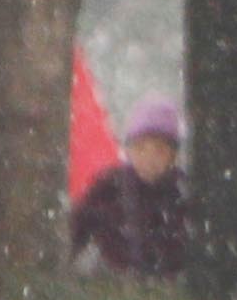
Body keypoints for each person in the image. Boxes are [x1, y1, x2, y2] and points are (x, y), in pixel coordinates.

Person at [70, 99, 188, 282]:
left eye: (160, 150)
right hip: (114, 289)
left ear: (173, 155)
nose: (149, 158)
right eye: (140, 148)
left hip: (170, 289)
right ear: (129, 150)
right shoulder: (109, 187)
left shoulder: (183, 192)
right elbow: (76, 230)